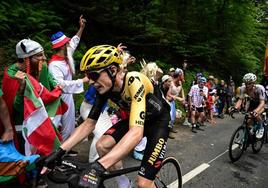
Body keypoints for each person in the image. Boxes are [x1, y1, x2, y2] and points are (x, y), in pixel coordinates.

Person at [42, 45, 171, 188]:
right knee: (102, 145)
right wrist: (60, 151)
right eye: (88, 76)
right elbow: (88, 124)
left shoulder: (134, 81)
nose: (90, 81)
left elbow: (136, 133)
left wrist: (98, 166)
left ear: (113, 70)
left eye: (93, 75)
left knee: (143, 184)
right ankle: (124, 184)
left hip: (158, 122)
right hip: (138, 120)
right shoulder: (104, 88)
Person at [48, 15, 89, 147]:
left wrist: (81, 28)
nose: (69, 43)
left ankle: (66, 148)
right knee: (62, 123)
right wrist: (82, 81)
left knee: (70, 123)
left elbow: (75, 41)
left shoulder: (65, 54)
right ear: (62, 46)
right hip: (60, 97)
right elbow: (61, 84)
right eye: (66, 42)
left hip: (68, 95)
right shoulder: (54, 65)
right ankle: (59, 151)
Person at [230, 73, 265, 139]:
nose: (247, 85)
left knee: (255, 114)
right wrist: (235, 107)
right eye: (246, 83)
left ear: (253, 83)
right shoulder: (243, 88)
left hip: (262, 102)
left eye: (249, 83)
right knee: (248, 120)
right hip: (253, 101)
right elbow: (240, 100)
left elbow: (262, 102)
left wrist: (256, 111)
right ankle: (249, 134)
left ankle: (261, 127)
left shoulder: (260, 88)